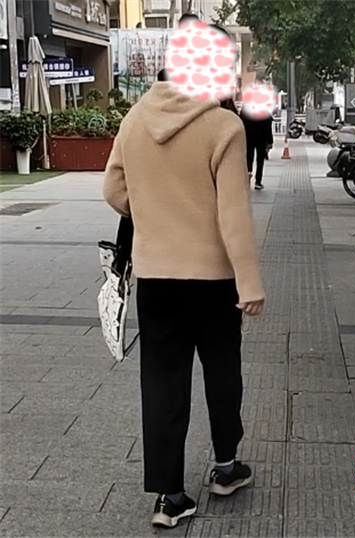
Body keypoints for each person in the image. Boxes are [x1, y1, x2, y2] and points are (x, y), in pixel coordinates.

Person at [103, 68, 265, 529]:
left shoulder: (136, 118)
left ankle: (169, 497)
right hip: (212, 279)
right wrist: (249, 285)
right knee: (222, 371)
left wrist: (155, 211)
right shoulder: (223, 126)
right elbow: (233, 213)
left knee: (161, 382)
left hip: (156, 277)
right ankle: (226, 468)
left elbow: (113, 189)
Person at [240, 109, 273, 190]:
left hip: (248, 138)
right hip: (261, 138)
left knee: (248, 158)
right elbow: (268, 126)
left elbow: (241, 124)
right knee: (260, 160)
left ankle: (247, 177)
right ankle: (258, 182)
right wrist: (270, 141)